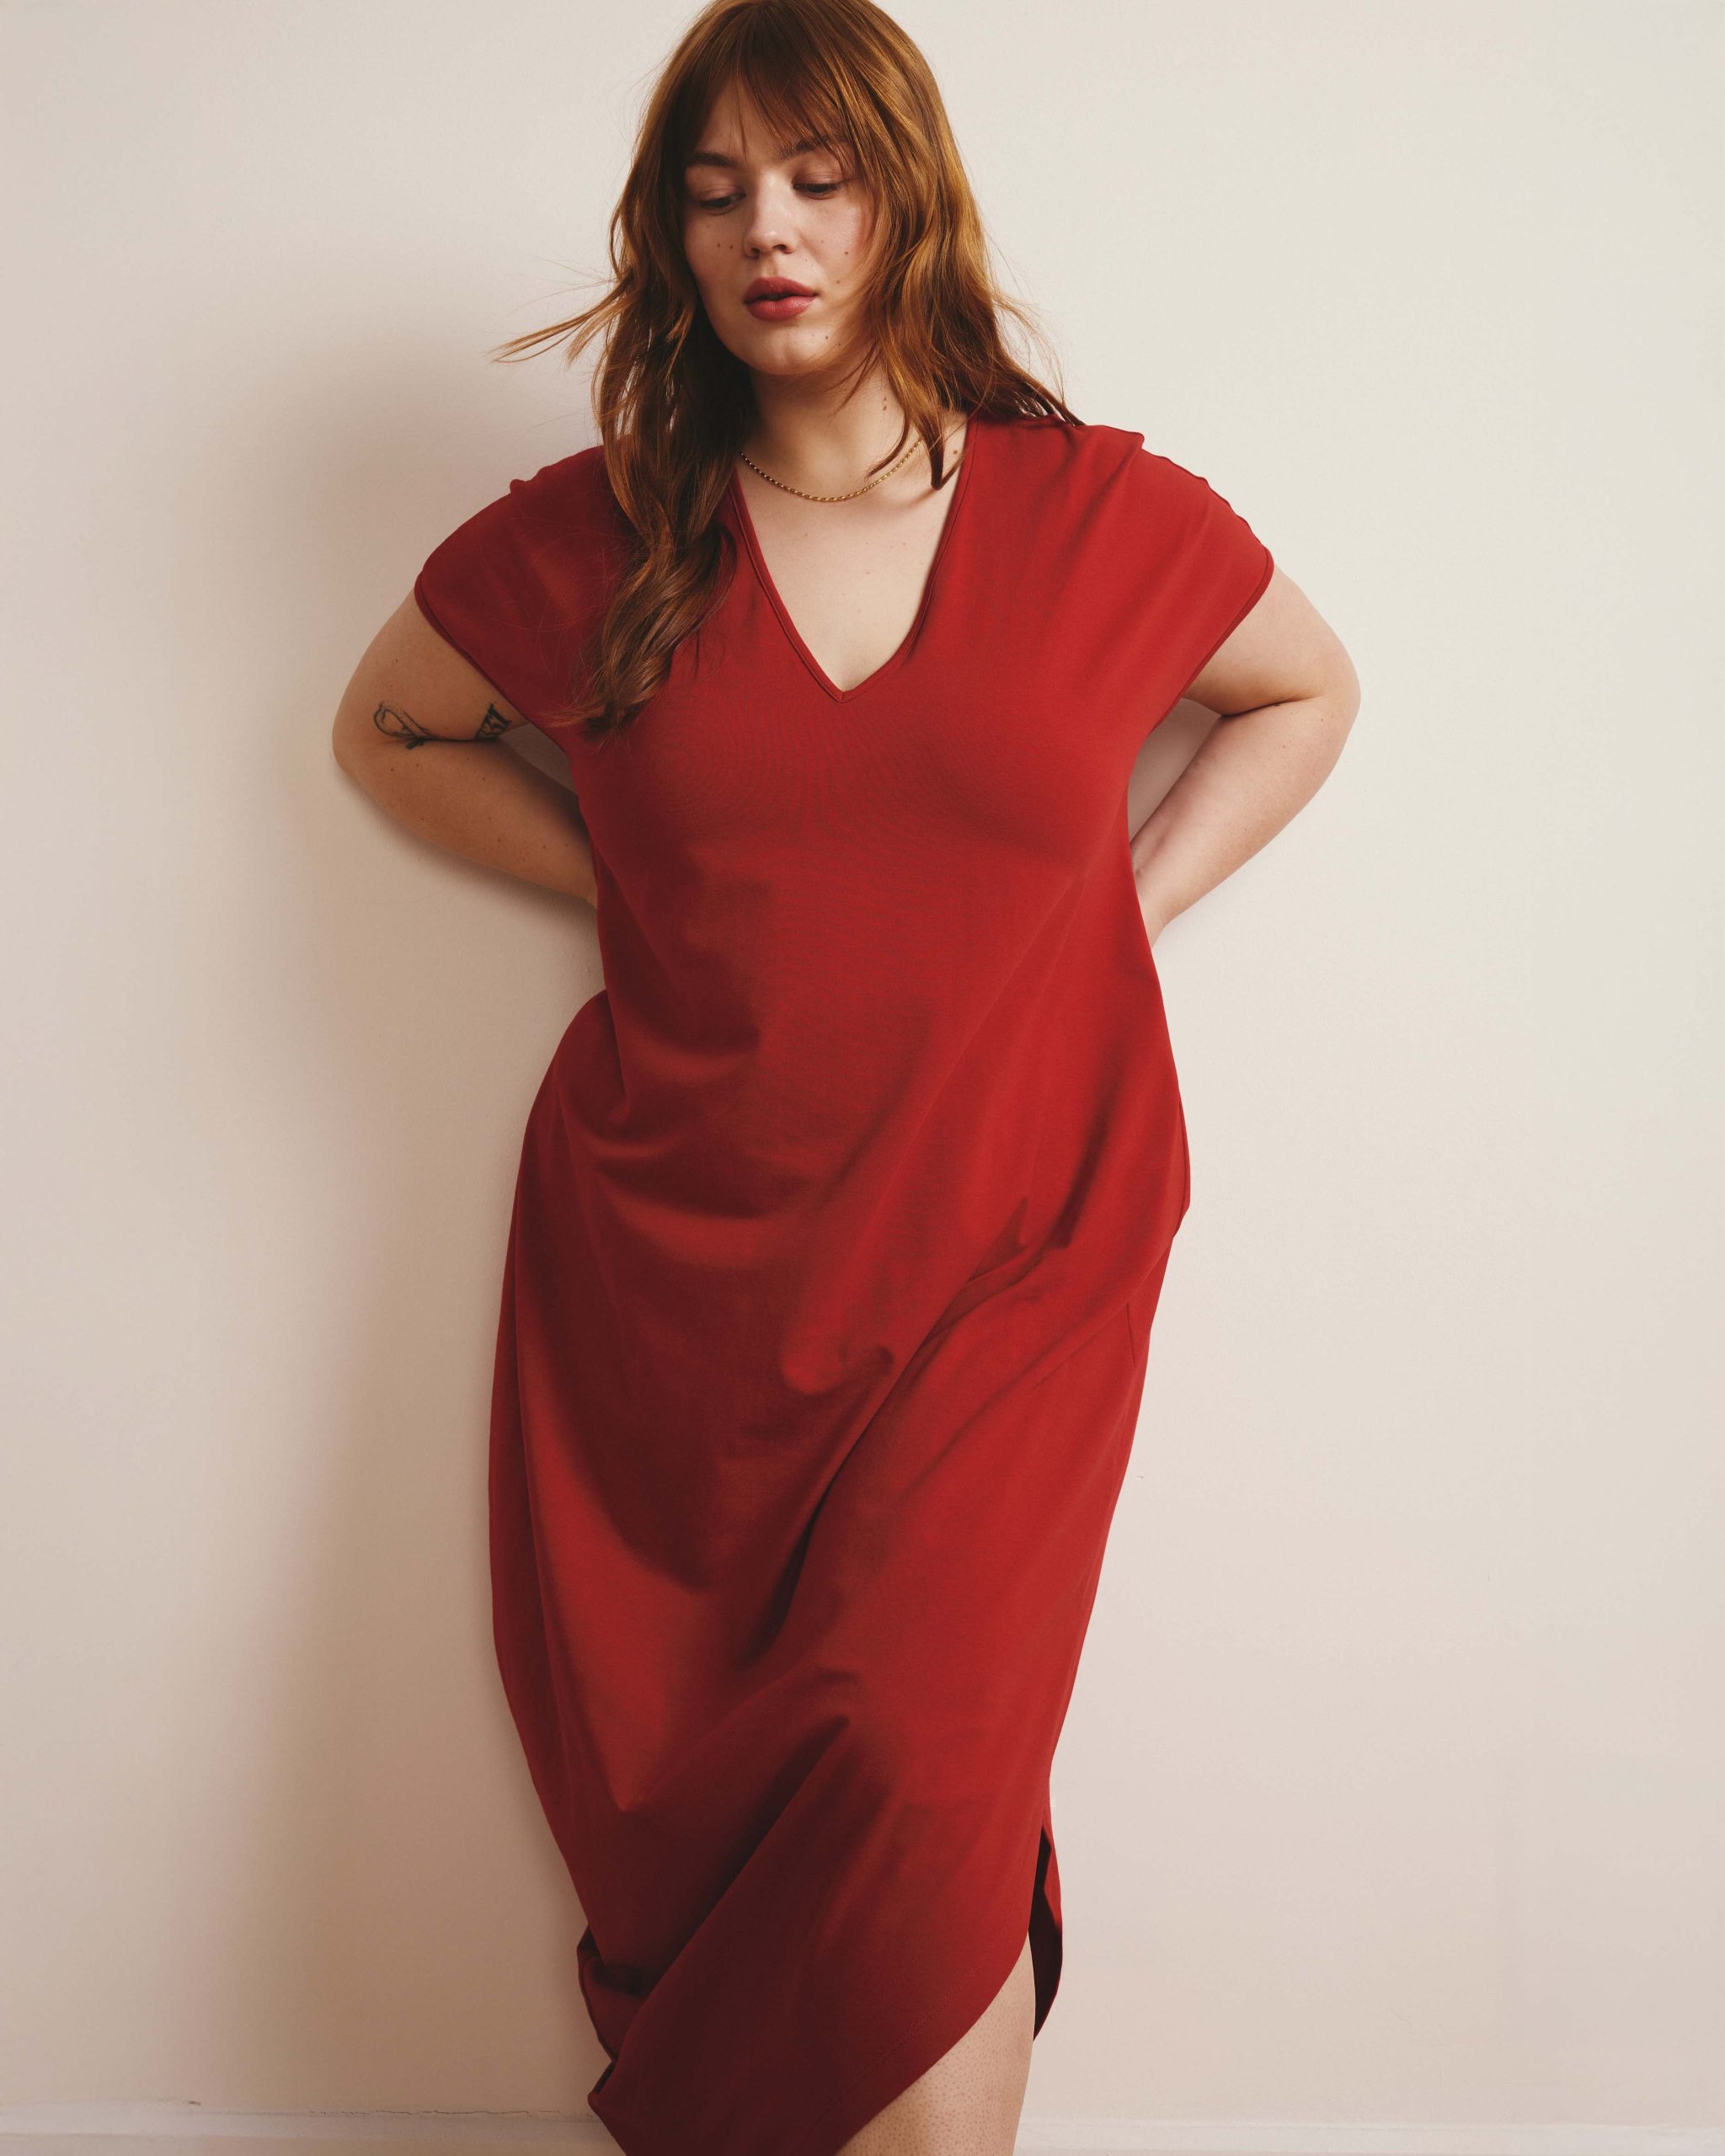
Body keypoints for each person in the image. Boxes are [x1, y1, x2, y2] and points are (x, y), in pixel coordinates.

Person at [331, 0, 1359, 2149]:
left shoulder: (1102, 516)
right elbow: (387, 728)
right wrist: (628, 886)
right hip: (681, 1284)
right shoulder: (597, 535)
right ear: (671, 239)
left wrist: (1112, 913)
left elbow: (1304, 691)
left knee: (913, 1749)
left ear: (909, 203)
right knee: (741, 1809)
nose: (768, 235)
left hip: (1017, 1256)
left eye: (817, 181)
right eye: (715, 196)